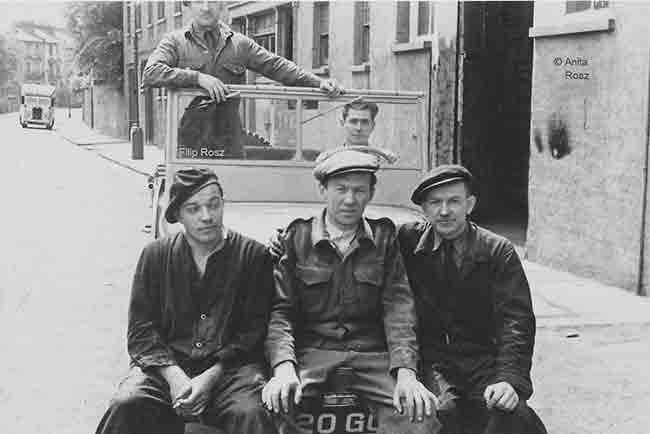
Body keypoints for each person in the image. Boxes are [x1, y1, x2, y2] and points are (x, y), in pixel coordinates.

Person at [263, 148, 441, 434]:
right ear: (323, 190)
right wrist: (284, 367)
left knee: (420, 418)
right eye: (341, 189)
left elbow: (398, 308)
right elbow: (281, 312)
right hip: (313, 353)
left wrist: (406, 374)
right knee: (271, 409)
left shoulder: (384, 237)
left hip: (373, 355)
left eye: (359, 190)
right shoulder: (297, 237)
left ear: (371, 193)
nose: (349, 199)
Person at [94, 168, 276, 434]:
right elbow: (141, 332)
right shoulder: (155, 255)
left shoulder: (253, 256)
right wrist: (175, 377)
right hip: (164, 369)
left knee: (251, 414)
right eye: (193, 209)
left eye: (214, 205)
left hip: (230, 372)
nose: (207, 216)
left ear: (223, 204)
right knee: (127, 404)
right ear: (178, 215)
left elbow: (252, 333)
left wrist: (211, 376)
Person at [398, 164, 547, 434]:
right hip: (431, 362)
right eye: (435, 202)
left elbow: (516, 323)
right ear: (424, 209)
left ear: (470, 204)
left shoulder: (497, 251)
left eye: (454, 201)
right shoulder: (406, 242)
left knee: (514, 416)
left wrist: (509, 379)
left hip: (482, 361)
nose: (445, 211)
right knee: (438, 415)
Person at [142, 1, 344, 101]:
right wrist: (198, 78)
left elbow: (277, 66)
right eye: (198, 1)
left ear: (222, 4)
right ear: (188, 5)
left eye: (212, 1)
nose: (206, 8)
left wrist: (319, 82)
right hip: (186, 145)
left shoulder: (239, 44)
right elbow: (151, 73)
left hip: (229, 141)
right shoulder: (174, 42)